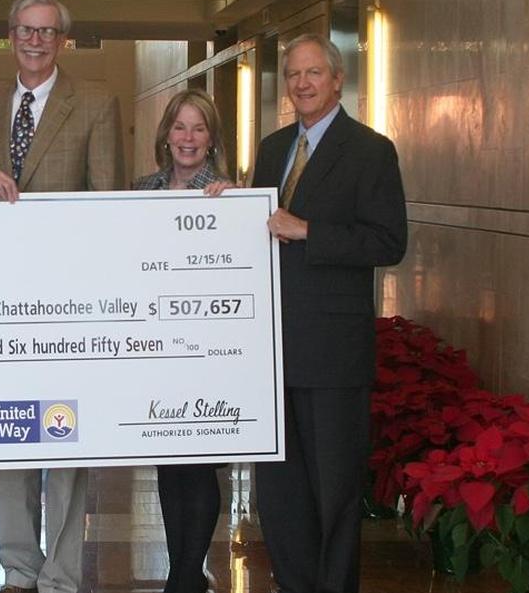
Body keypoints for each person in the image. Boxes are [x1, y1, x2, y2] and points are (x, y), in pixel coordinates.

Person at [0, 0, 125, 593]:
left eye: (47, 32)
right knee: (7, 433)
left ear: (62, 41)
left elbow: (107, 207)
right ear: (10, 36)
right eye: (26, 30)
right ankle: (18, 569)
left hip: (68, 303)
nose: (36, 41)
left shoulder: (97, 103)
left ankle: (58, 571)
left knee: (66, 431)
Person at [251, 33, 407, 593]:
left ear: (337, 79)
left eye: (313, 73)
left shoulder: (370, 149)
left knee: (335, 491)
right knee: (281, 492)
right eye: (293, 74)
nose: (302, 83)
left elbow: (389, 242)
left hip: (334, 355)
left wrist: (309, 231)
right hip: (273, 351)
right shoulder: (270, 150)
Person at [132, 88, 232, 593]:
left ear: (211, 139)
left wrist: (233, 211)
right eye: (179, 127)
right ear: (165, 135)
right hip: (156, 346)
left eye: (198, 128)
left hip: (209, 349)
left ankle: (189, 573)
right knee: (169, 462)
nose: (188, 138)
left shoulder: (231, 195)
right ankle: (181, 569)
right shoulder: (141, 190)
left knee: (200, 462)